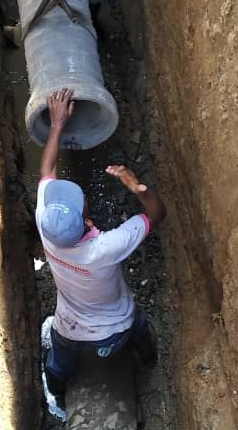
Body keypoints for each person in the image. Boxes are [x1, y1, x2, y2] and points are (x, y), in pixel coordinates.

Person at [36, 88, 166, 400]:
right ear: (87, 222)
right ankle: (148, 358)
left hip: (69, 327)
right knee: (138, 325)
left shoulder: (46, 225)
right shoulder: (107, 247)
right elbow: (156, 214)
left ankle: (55, 392)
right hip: (114, 330)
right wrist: (137, 186)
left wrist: (56, 125)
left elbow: (46, 171)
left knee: (58, 361)